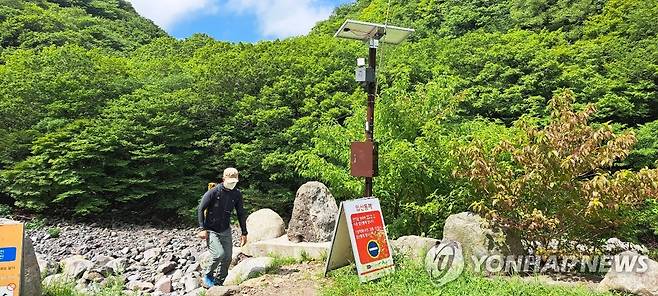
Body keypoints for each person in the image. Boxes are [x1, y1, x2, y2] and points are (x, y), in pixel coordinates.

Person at [197, 167, 248, 287]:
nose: (232, 184)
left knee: (228, 257)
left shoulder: (236, 194)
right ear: (223, 179)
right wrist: (202, 228)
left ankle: (218, 283)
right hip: (211, 229)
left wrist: (244, 233)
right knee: (219, 254)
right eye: (230, 182)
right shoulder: (214, 192)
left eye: (234, 182)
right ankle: (208, 275)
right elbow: (200, 209)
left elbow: (241, 213)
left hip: (225, 229)